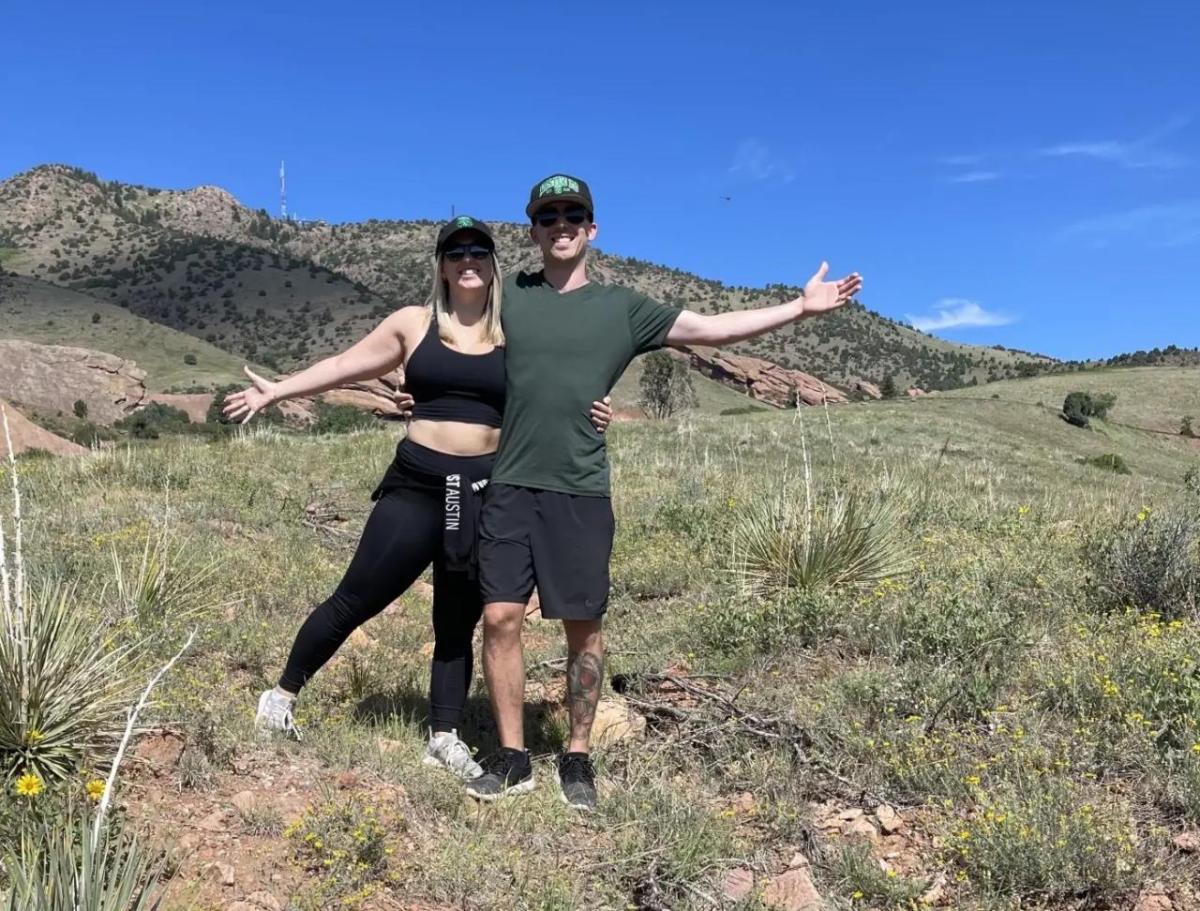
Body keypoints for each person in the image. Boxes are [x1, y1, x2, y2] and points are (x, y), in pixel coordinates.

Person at [466, 175, 863, 809]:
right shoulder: (507, 294)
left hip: (580, 487)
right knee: (499, 617)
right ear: (534, 231)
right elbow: (446, 328)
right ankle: (513, 757)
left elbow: (713, 330)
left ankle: (577, 755)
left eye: (573, 214)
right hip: (511, 482)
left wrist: (798, 307)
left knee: (582, 628)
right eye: (548, 216)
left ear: (592, 229)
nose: (561, 224)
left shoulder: (623, 307)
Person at [222, 216, 615, 780]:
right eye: (455, 253)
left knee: (457, 621)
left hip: (482, 489)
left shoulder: (514, 328)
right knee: (356, 598)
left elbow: (560, 378)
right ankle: (280, 697)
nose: (468, 260)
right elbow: (342, 365)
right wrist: (279, 389)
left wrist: (592, 409)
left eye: (479, 250)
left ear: (493, 261)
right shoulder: (414, 322)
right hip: (418, 485)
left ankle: (445, 735)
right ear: (442, 265)